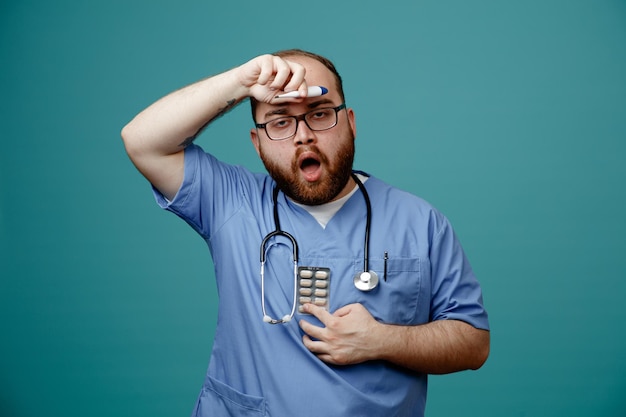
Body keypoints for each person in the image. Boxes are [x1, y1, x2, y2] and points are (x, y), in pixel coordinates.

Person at [121, 49, 490, 417]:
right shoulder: (230, 202)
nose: (303, 136)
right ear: (257, 142)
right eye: (280, 121)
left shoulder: (420, 221)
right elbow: (142, 141)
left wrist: (381, 340)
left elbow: (473, 343)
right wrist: (240, 82)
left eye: (320, 114)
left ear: (350, 122)